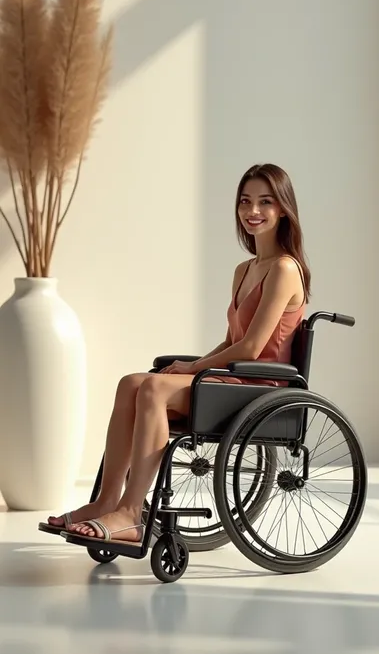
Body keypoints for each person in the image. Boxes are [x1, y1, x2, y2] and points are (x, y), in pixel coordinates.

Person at [42, 163, 311, 546]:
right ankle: (106, 500)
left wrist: (195, 367)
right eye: (245, 201)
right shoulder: (245, 269)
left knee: (153, 389)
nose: (253, 210)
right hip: (234, 378)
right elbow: (232, 339)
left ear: (283, 208)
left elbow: (252, 348)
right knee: (131, 383)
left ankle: (131, 514)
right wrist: (198, 364)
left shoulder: (284, 269)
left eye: (265, 202)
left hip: (260, 387)